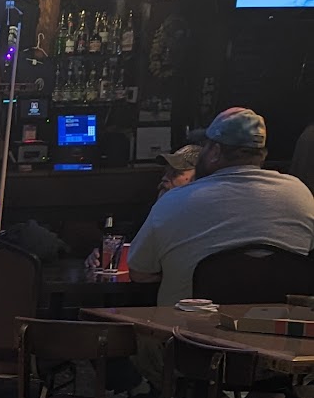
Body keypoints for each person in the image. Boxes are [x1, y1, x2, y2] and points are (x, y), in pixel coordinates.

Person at [126, 106, 314, 304]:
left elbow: (140, 273)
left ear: (215, 152)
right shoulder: (300, 194)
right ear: (261, 154)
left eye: (205, 146)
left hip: (188, 323)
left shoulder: (174, 201)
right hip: (276, 323)